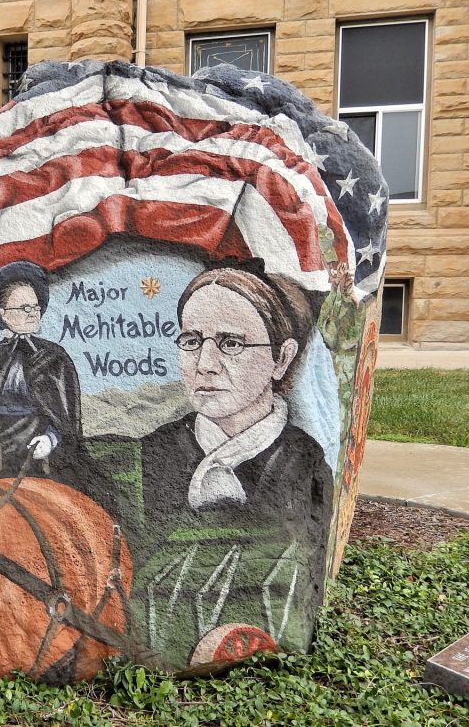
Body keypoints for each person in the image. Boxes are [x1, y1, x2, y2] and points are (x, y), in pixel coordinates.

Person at [134, 264, 334, 664]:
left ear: (281, 358)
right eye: (191, 341)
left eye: (231, 344)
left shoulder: (302, 462)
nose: (204, 363)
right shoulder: (156, 451)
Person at [0, 261, 84, 484]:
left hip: (44, 452)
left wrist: (51, 438)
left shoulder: (57, 359)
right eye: (24, 308)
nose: (32, 313)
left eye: (36, 307)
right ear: (3, 313)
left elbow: (68, 419)